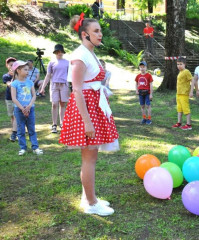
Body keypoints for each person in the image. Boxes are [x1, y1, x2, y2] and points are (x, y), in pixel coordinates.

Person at [60, 13, 119, 216]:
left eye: (100, 30)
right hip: (85, 110)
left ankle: (88, 197)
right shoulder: (79, 56)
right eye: (96, 31)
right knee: (89, 157)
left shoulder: (89, 52)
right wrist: (87, 122)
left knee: (91, 156)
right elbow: (76, 89)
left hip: (94, 107)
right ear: (85, 34)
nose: (100, 34)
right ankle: (92, 203)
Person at [10, 60, 43, 156]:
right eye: (25, 70)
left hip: (30, 109)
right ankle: (23, 148)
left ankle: (35, 147)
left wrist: (29, 106)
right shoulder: (14, 83)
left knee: (31, 129)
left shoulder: (30, 82)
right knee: (20, 130)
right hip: (19, 110)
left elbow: (34, 95)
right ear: (18, 70)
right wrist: (22, 108)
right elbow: (14, 98)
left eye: (28, 70)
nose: (28, 72)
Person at [39, 44, 69, 134]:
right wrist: (43, 87)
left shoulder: (67, 62)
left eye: (61, 51)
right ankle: (54, 124)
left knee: (62, 104)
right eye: (57, 51)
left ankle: (62, 123)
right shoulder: (51, 62)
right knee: (54, 104)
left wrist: (74, 86)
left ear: (63, 52)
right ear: (55, 52)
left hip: (64, 84)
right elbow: (48, 75)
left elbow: (70, 75)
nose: (59, 53)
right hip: (54, 85)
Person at [172, 56, 193, 130]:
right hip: (178, 94)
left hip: (184, 94)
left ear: (185, 64)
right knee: (179, 109)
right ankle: (179, 122)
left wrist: (191, 91)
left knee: (186, 109)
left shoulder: (186, 71)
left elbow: (192, 81)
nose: (179, 66)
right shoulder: (180, 72)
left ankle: (188, 125)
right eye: (178, 64)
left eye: (181, 64)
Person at [3, 57, 18, 142]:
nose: (12, 66)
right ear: (7, 66)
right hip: (9, 98)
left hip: (17, 98)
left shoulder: (19, 75)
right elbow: (10, 85)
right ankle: (15, 130)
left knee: (16, 116)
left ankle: (15, 133)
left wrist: (16, 76)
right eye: (10, 65)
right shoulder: (6, 76)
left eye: (13, 65)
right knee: (12, 116)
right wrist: (13, 77)